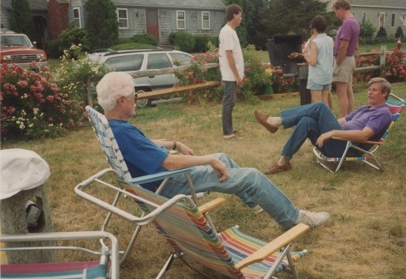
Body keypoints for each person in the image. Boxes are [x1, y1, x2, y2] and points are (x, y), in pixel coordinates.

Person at [95, 72, 330, 229]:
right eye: (134, 96)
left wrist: (174, 143)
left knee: (223, 157)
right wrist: (206, 160)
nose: (136, 99)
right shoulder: (124, 133)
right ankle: (296, 219)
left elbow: (145, 145)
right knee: (252, 176)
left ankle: (256, 203)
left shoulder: (113, 128)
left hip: (155, 182)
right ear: (121, 101)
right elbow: (169, 163)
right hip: (168, 184)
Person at [253, 77, 393, 175]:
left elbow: (364, 136)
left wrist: (331, 133)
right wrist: (323, 125)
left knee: (320, 106)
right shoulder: (364, 108)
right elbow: (341, 121)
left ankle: (276, 122)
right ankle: (283, 162)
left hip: (347, 147)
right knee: (307, 120)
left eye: (374, 90)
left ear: (384, 93)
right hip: (336, 142)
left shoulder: (383, 113)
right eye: (369, 89)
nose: (369, 92)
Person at [218, 4, 244, 140]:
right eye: (240, 15)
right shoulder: (227, 32)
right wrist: (237, 76)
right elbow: (229, 55)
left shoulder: (231, 31)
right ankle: (228, 133)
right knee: (228, 102)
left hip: (232, 75)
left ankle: (229, 128)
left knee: (231, 102)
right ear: (234, 15)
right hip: (230, 75)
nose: (241, 18)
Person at [332, 0, 360, 117]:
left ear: (342, 9)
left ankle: (342, 122)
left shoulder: (348, 23)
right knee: (349, 91)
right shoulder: (355, 22)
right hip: (349, 59)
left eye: (336, 12)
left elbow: (344, 46)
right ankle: (349, 118)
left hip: (343, 60)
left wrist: (337, 64)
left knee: (341, 93)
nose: (336, 15)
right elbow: (356, 45)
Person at [301, 15, 334, 107]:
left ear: (314, 28)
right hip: (327, 75)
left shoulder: (315, 42)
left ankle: (320, 121)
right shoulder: (330, 40)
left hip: (317, 77)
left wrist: (306, 56)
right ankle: (326, 120)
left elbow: (312, 62)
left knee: (317, 103)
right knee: (324, 101)